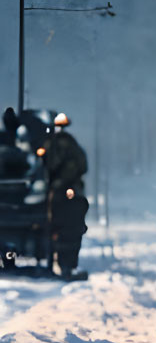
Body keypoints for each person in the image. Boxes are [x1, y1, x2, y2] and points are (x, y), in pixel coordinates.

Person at [44, 113, 90, 278]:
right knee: (65, 230)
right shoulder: (67, 145)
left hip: (63, 193)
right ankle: (65, 266)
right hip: (64, 194)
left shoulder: (57, 145)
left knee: (65, 230)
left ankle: (65, 266)